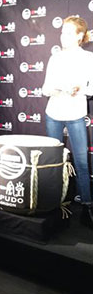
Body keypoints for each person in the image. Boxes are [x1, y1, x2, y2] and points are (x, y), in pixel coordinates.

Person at [42, 15, 93, 228]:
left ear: (80, 35)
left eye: (68, 33)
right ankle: (54, 204)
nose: (63, 36)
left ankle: (88, 207)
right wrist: (60, 89)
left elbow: (92, 88)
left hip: (75, 115)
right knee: (53, 162)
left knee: (81, 162)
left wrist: (80, 89)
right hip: (53, 113)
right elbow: (45, 89)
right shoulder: (55, 58)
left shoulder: (88, 58)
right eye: (62, 32)